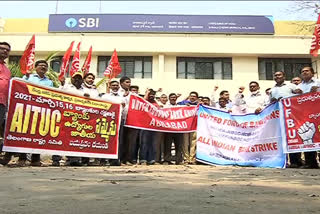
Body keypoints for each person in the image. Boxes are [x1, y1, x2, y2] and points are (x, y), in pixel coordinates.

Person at [20, 60, 53, 166]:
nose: (43, 67)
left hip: (42, 110)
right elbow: (20, 87)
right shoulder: (28, 77)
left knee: (39, 134)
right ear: (36, 67)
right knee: (24, 133)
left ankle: (35, 159)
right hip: (28, 109)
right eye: (41, 65)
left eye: (45, 66)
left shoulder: (49, 82)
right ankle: (22, 158)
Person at [269, 71, 302, 168]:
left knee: (293, 137)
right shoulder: (272, 89)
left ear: (284, 76)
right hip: (278, 117)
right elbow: (269, 103)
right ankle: (284, 161)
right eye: (275, 75)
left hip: (291, 116)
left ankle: (295, 161)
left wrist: (286, 98)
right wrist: (272, 101)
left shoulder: (291, 86)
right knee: (281, 139)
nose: (277, 76)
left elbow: (299, 95)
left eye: (279, 75)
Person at [297, 66, 320, 169]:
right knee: (308, 137)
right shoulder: (299, 86)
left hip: (318, 114)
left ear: (312, 73)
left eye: (307, 71)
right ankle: (310, 163)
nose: (304, 73)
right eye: (302, 71)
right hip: (305, 115)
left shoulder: (318, 83)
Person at [139, 89, 160, 165]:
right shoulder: (144, 101)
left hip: (154, 126)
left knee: (153, 143)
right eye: (150, 94)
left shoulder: (156, 103)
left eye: (153, 94)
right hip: (144, 125)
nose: (151, 95)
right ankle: (143, 159)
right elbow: (141, 103)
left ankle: (151, 159)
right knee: (144, 142)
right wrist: (147, 93)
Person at [0, 42, 12, 166]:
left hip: (2, 103)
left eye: (7, 50)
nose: (4, 51)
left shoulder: (7, 70)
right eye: (2, 49)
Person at [162, 93, 184, 165]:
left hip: (178, 129)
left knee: (179, 145)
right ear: (169, 98)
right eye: (171, 97)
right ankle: (167, 160)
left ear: (176, 98)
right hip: (168, 129)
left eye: (174, 97)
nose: (173, 98)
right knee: (167, 145)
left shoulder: (180, 107)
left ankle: (178, 160)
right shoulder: (165, 106)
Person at [178, 91, 198, 164]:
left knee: (193, 143)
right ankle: (186, 158)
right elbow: (176, 105)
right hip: (185, 127)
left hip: (194, 127)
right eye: (191, 96)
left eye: (194, 96)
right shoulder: (183, 104)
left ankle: (192, 158)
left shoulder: (199, 105)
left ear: (196, 98)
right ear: (189, 97)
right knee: (185, 143)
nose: (192, 97)